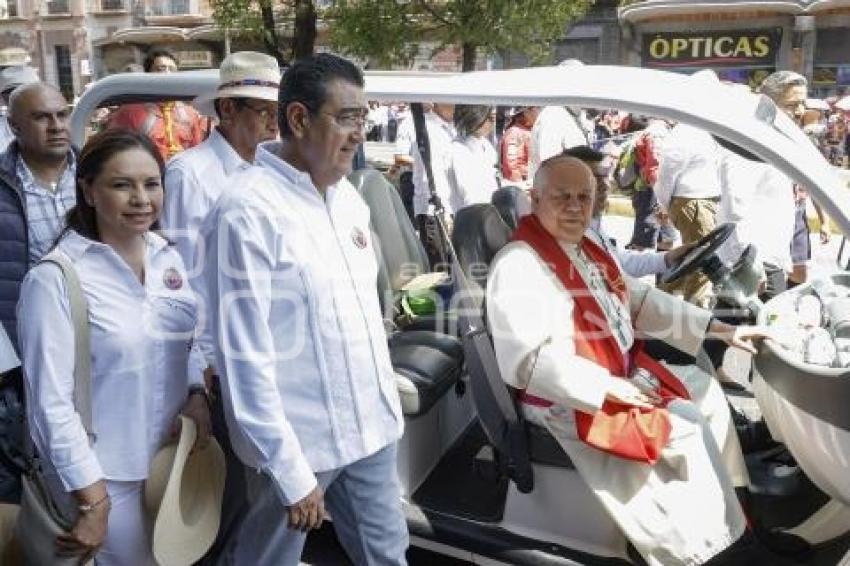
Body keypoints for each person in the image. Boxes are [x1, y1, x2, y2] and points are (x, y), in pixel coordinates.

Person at [486, 154, 778, 565]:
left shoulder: (583, 246)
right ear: (535, 199)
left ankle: (742, 523)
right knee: (685, 431)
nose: (574, 206)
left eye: (583, 197)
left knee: (707, 399)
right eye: (561, 196)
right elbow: (527, 363)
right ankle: (709, 553)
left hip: (613, 373)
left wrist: (721, 329)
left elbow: (635, 299)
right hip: (566, 401)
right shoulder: (519, 264)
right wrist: (608, 388)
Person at [200, 53, 407, 565]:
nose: (360, 133)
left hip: (370, 432)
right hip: (298, 446)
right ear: (298, 119)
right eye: (347, 118)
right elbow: (243, 356)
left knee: (387, 555)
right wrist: (291, 473)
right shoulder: (246, 211)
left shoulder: (349, 201)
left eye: (365, 117)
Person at [17, 129, 211, 564]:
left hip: (172, 465)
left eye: (151, 183)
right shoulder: (55, 280)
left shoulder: (168, 259)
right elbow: (48, 403)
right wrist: (93, 499)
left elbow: (185, 339)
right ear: (88, 190)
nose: (141, 198)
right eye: (122, 185)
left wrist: (197, 393)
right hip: (105, 479)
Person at [161, 50, 280, 271]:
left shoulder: (273, 169)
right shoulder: (189, 174)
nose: (275, 124)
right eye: (265, 112)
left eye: (278, 113)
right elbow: (181, 264)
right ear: (227, 109)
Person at [567, 145, 691, 278]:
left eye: (605, 177)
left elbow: (618, 261)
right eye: (594, 179)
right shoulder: (569, 236)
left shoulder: (591, 224)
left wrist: (667, 257)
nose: (606, 185)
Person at [654, 114, 722, 305]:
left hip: (698, 201)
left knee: (693, 262)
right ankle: (694, 312)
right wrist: (664, 204)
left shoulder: (701, 127)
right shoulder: (688, 130)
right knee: (702, 264)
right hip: (694, 201)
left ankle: (659, 303)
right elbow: (667, 172)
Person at [108, 48, 207, 161]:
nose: (168, 73)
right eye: (161, 69)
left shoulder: (190, 113)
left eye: (172, 70)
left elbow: (197, 152)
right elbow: (115, 152)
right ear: (148, 74)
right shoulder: (130, 112)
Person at [448, 105, 499, 214]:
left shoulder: (485, 144)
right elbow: (470, 196)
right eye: (490, 118)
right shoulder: (459, 150)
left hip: (491, 210)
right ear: (476, 118)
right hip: (475, 215)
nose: (492, 123)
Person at [0, 65, 38, 152]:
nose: (20, 98)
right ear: (2, 97)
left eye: (26, 91)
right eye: (11, 92)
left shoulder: (55, 125)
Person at [500, 106, 539, 185]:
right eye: (537, 108)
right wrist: (520, 185)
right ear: (526, 111)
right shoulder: (514, 132)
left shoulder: (530, 130)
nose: (539, 112)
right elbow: (511, 165)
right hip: (522, 184)